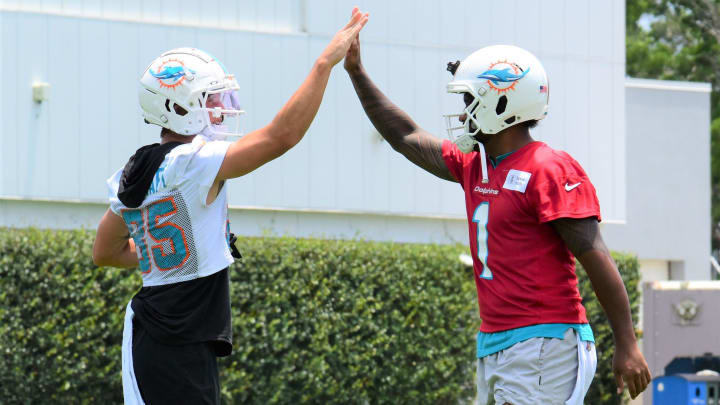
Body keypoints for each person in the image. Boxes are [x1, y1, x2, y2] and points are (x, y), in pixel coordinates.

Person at [344, 37, 651, 404]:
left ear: (502, 101)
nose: (462, 115)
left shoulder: (547, 167)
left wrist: (627, 343)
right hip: (497, 341)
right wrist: (356, 72)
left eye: (469, 102)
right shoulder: (476, 164)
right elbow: (405, 135)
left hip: (543, 340)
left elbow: (594, 253)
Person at [92, 8, 369, 404]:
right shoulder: (194, 162)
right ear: (179, 106)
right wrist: (324, 63)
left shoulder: (135, 168)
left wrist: (165, 251)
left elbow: (104, 252)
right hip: (177, 336)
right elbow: (283, 136)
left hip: (159, 333)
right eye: (210, 98)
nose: (221, 107)